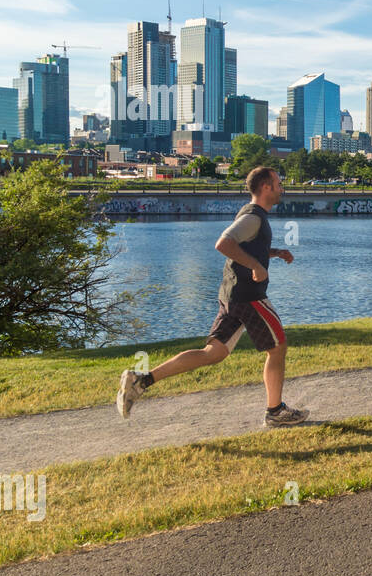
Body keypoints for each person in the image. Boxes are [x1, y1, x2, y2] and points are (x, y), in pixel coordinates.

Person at [115, 166, 310, 428]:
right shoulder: (254, 217)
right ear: (266, 187)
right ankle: (275, 411)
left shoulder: (252, 215)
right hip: (250, 297)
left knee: (213, 353)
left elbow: (245, 246)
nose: (282, 187)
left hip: (232, 297)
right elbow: (224, 244)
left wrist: (273, 253)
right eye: (278, 182)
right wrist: (256, 266)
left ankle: (142, 380)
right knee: (277, 348)